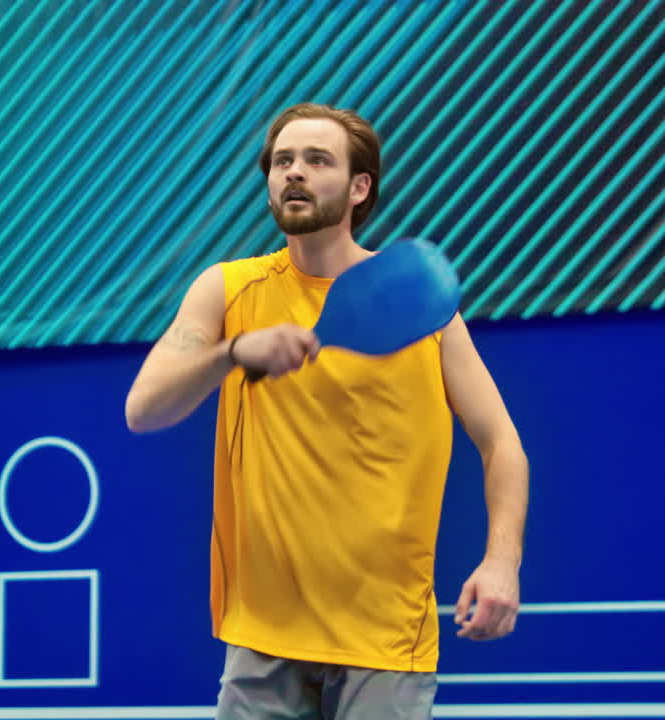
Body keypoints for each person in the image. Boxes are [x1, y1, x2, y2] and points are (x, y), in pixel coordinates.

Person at [125, 102, 529, 719]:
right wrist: (232, 353)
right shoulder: (228, 291)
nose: (295, 173)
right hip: (262, 637)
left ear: (359, 185)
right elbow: (143, 408)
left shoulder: (420, 307)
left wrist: (502, 561)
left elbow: (501, 441)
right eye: (282, 161)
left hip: (385, 639)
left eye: (317, 160)